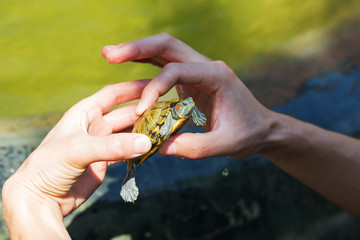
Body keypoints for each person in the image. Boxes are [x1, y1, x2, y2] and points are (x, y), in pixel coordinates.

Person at [2, 33, 360, 239]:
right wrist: (267, 128)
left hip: (149, 134)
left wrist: (30, 206)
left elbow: (180, 113)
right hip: (152, 132)